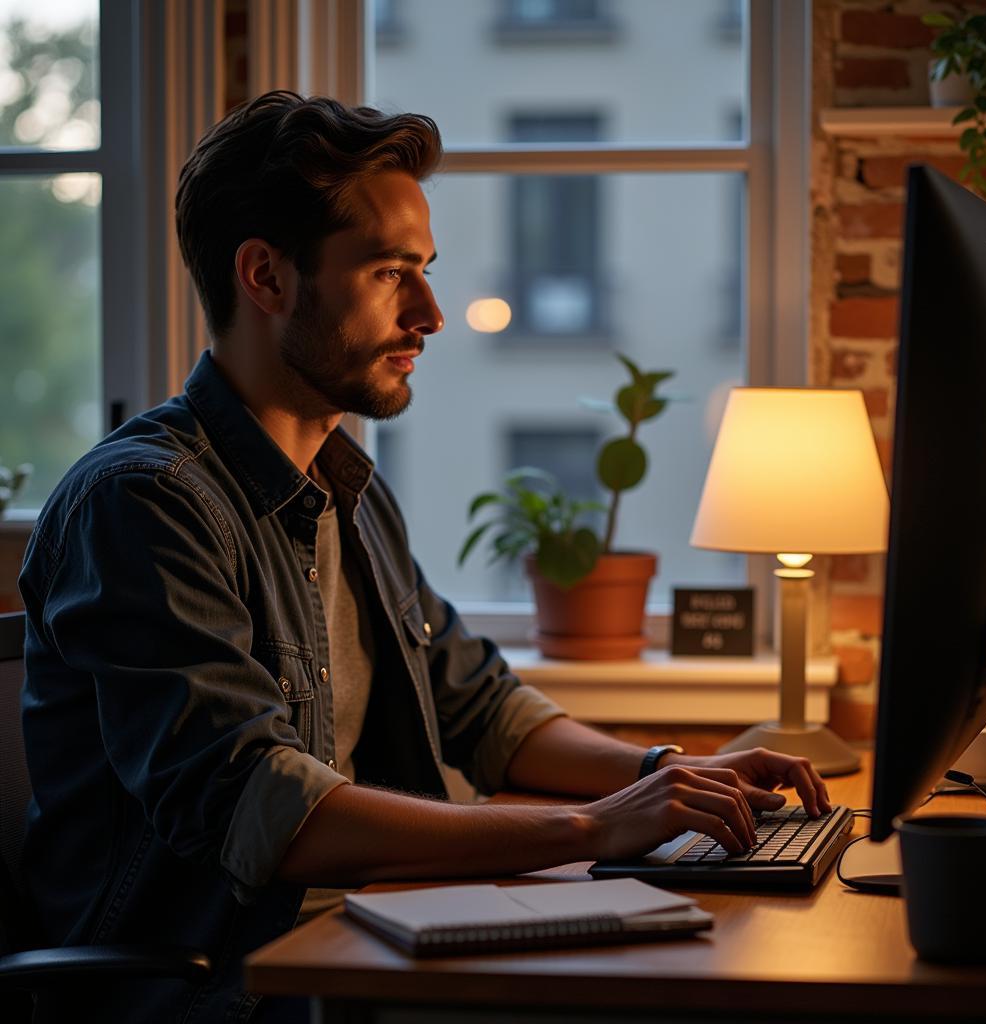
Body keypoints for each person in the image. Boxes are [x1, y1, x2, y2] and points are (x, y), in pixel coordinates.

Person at [18, 92, 831, 1024]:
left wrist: (667, 773)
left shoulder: (346, 487)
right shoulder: (144, 503)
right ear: (265, 276)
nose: (432, 312)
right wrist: (597, 827)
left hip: (366, 936)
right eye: (389, 271)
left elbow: (483, 708)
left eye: (425, 271)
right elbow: (262, 808)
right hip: (221, 986)